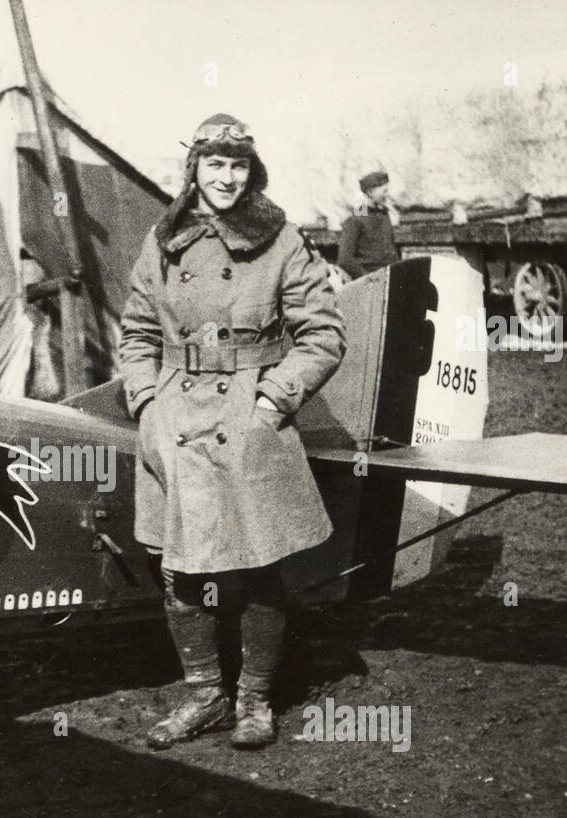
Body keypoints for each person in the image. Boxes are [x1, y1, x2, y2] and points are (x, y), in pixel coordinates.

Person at [118, 113, 346, 750]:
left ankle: (254, 699)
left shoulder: (281, 240)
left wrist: (272, 403)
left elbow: (323, 335)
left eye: (237, 165)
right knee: (178, 569)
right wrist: (144, 401)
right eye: (213, 164)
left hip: (247, 415)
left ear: (253, 171)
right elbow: (136, 332)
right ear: (193, 169)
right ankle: (204, 696)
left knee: (259, 564)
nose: (225, 177)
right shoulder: (162, 239)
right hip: (175, 418)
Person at [336, 169, 398, 280]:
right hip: (370, 282)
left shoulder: (384, 215)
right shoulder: (356, 220)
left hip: (388, 278)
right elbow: (344, 259)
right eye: (384, 191)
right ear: (370, 193)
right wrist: (367, 277)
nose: (387, 195)